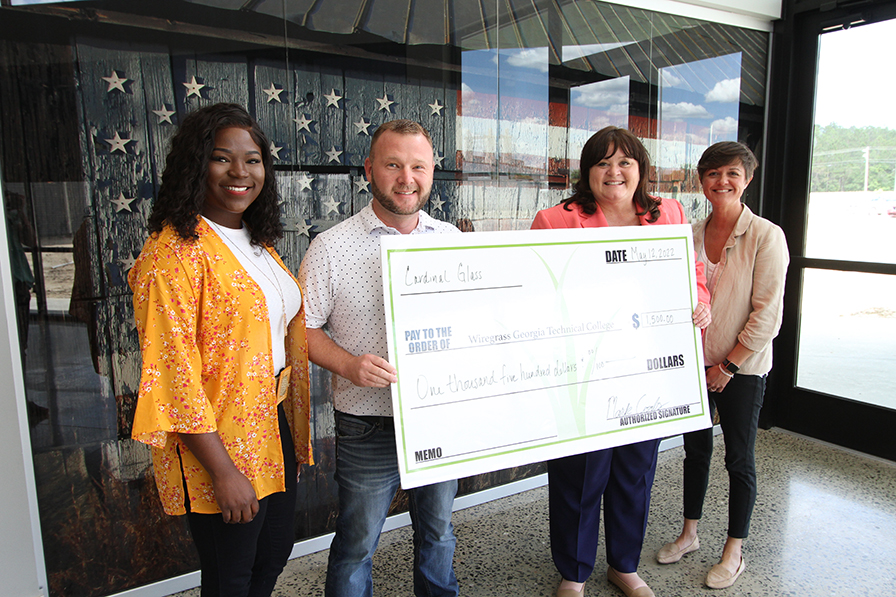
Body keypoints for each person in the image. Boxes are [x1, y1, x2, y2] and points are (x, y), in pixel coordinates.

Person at [129, 103, 313, 597]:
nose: (240, 172)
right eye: (221, 158)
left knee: (270, 559)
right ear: (195, 164)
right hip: (220, 442)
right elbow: (173, 378)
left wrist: (286, 435)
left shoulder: (255, 242)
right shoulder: (171, 255)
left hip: (271, 428)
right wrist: (223, 472)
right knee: (230, 576)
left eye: (253, 160)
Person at [531, 126, 712, 597]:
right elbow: (534, 290)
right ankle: (573, 573)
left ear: (641, 171)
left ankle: (624, 565)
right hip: (583, 372)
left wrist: (700, 300)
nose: (614, 172)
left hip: (646, 367)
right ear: (587, 173)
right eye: (603, 163)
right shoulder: (556, 220)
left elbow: (691, 273)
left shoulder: (667, 213)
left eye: (625, 162)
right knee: (580, 472)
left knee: (635, 470)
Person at [299, 119, 460, 597]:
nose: (406, 178)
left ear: (433, 172)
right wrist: (349, 365)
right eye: (393, 165)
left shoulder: (450, 240)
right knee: (356, 543)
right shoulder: (330, 246)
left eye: (418, 166)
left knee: (439, 533)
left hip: (438, 418)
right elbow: (300, 330)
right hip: (367, 422)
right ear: (370, 169)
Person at [656, 142, 788, 589]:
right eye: (712, 174)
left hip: (743, 368)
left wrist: (727, 368)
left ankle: (735, 550)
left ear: (747, 178)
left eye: (732, 173)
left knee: (740, 458)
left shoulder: (767, 236)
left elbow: (767, 315)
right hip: (694, 365)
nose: (722, 182)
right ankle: (689, 533)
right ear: (701, 181)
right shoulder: (688, 233)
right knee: (696, 452)